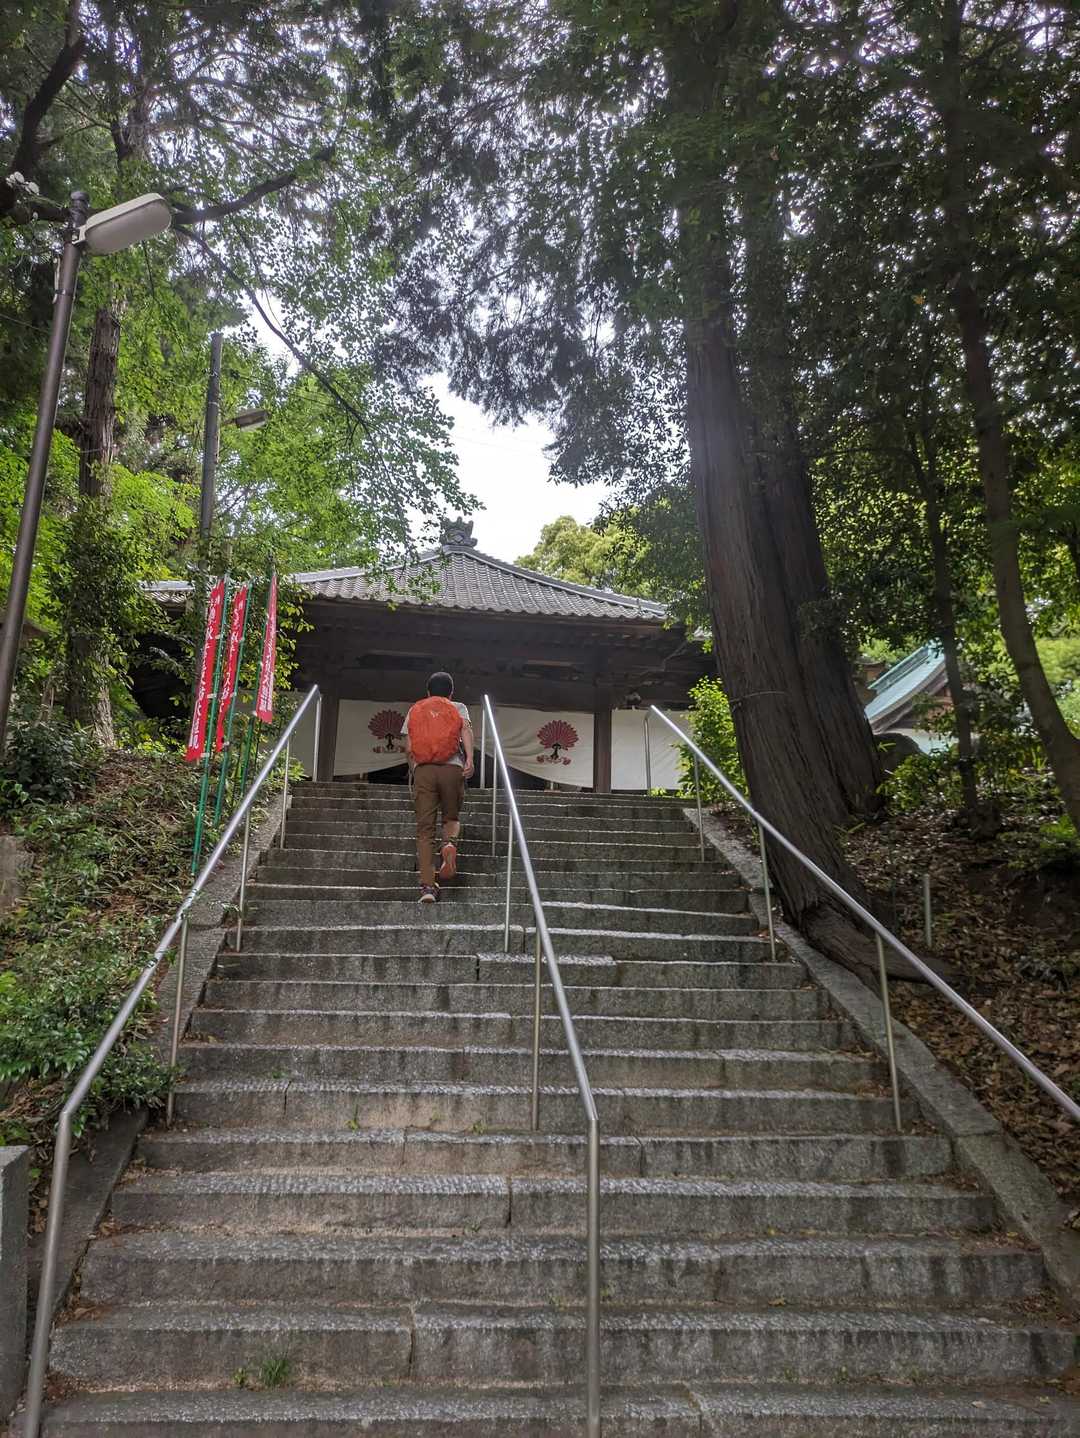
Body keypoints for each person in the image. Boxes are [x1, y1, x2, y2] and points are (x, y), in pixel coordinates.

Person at [401, 672, 474, 903]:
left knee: (425, 830)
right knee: (451, 817)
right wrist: (470, 760)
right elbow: (466, 731)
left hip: (424, 770)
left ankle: (428, 887)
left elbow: (409, 747)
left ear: (428, 691)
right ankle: (449, 844)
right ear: (451, 692)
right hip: (452, 768)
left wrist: (415, 770)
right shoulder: (458, 707)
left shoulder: (416, 709)